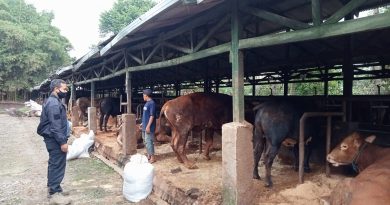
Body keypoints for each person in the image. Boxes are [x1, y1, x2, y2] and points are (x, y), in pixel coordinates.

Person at [37, 79, 72, 205]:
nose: (66, 91)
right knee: (57, 164)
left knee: (54, 163)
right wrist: (63, 142)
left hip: (53, 138)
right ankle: (54, 194)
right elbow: (55, 126)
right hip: (55, 140)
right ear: (56, 89)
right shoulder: (53, 104)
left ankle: (54, 188)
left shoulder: (54, 101)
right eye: (64, 89)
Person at [141, 88, 157, 163]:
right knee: (145, 141)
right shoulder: (147, 103)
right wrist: (142, 123)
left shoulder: (152, 103)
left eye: (143, 95)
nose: (143, 96)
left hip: (149, 127)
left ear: (146, 95)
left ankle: (153, 157)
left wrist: (148, 126)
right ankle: (149, 155)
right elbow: (146, 115)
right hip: (144, 126)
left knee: (149, 141)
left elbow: (152, 116)